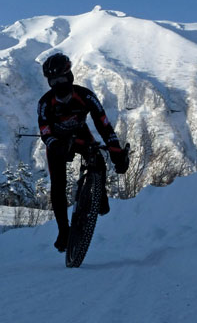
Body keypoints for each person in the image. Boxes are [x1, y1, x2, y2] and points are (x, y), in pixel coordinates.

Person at [37, 53, 129, 252]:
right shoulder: (45, 103)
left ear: (70, 76)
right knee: (58, 184)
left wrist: (116, 151)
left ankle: (99, 194)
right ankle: (63, 230)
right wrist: (54, 144)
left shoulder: (86, 96)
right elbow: (44, 130)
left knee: (97, 160)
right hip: (57, 142)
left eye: (61, 79)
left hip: (80, 135)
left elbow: (104, 125)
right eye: (53, 81)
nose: (57, 84)